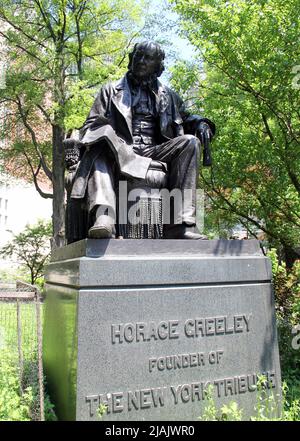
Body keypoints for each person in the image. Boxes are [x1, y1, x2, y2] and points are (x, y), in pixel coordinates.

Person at [68, 41, 215, 240]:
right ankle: (105, 217)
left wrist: (201, 124)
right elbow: (90, 126)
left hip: (154, 150)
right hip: (120, 151)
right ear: (131, 58)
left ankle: (181, 225)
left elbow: (187, 117)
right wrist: (108, 134)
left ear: (158, 66)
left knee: (190, 142)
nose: (141, 61)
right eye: (138, 55)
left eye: (148, 58)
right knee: (98, 147)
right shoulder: (110, 91)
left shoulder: (168, 96)